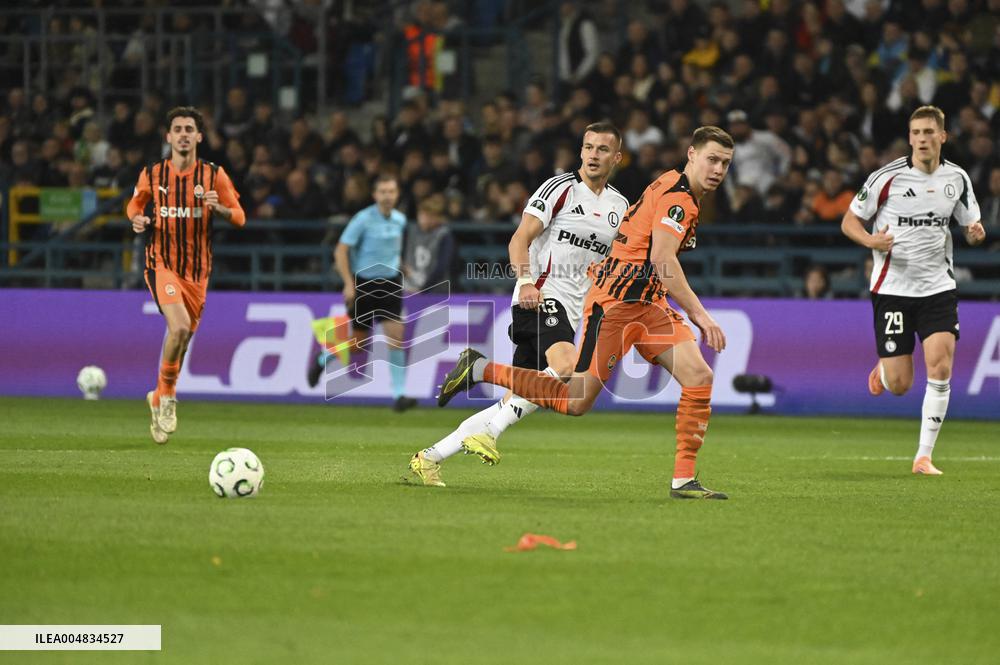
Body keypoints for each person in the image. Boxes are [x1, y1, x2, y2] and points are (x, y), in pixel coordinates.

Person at [436, 126, 735, 499]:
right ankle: (481, 369)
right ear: (691, 155)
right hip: (616, 304)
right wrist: (702, 316)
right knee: (576, 400)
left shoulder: (665, 190)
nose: (718, 169)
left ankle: (683, 481)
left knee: (698, 376)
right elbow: (661, 259)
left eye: (724, 162)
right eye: (711, 159)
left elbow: (643, 246)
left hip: (649, 303)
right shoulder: (678, 199)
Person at [407, 123, 628, 486]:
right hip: (540, 296)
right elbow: (519, 238)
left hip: (573, 312)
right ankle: (488, 422)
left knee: (519, 397)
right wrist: (525, 282)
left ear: (616, 157)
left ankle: (429, 457)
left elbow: (619, 259)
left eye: (602, 149)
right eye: (588, 147)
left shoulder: (619, 206)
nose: (593, 155)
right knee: (567, 366)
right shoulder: (560, 188)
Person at [840, 105, 986, 476]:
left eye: (928, 132)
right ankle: (885, 371)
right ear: (909, 138)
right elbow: (849, 221)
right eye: (916, 132)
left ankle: (923, 456)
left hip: (937, 287)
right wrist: (870, 238)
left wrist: (974, 231)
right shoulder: (885, 178)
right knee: (901, 384)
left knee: (941, 366)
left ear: (943, 136)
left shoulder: (958, 179)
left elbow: (970, 222)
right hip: (892, 289)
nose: (922, 138)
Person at [127, 106, 246, 444]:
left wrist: (219, 208)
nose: (182, 134)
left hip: (198, 273)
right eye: (177, 128)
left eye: (188, 129)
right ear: (168, 136)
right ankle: (167, 397)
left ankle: (157, 397)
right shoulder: (152, 173)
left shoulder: (213, 176)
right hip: (161, 262)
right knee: (177, 328)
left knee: (181, 340)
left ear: (198, 136)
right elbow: (134, 205)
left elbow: (240, 217)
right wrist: (136, 219)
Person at [307, 173, 418, 412]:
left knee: (396, 337)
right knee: (358, 344)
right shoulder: (363, 219)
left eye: (391, 191)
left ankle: (399, 395)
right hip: (364, 284)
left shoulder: (400, 220)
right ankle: (322, 359)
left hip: (390, 284)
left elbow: (391, 250)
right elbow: (341, 250)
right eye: (383, 192)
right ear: (375, 195)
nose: (387, 196)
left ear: (397, 194)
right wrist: (348, 283)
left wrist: (401, 266)